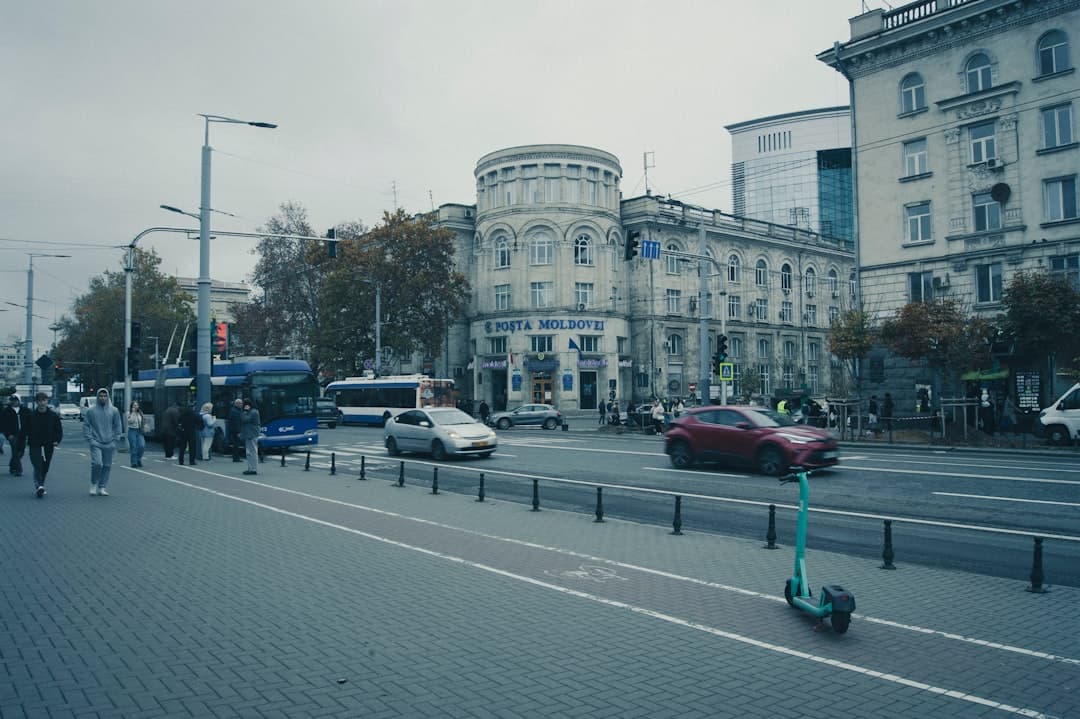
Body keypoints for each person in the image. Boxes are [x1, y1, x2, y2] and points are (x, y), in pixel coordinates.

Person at [83, 388, 122, 496]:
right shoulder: (91, 411)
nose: (103, 398)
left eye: (105, 396)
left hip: (110, 442)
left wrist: (115, 440)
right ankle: (94, 484)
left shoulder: (114, 410)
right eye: (101, 396)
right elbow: (86, 425)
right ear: (97, 397)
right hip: (96, 442)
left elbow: (118, 425)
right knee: (97, 463)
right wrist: (90, 439)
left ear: (108, 397)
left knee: (107, 465)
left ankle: (102, 487)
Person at [27, 392, 62, 497]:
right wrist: (22, 442)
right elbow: (25, 430)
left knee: (45, 465)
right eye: (40, 401)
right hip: (34, 443)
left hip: (48, 443)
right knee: (37, 464)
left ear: (47, 401)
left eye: (44, 400)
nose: (42, 403)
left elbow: (58, 430)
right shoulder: (31, 415)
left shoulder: (53, 416)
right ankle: (39, 486)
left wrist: (56, 440)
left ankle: (41, 484)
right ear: (37, 402)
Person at [1, 394, 32, 476]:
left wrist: (29, 432)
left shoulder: (25, 410)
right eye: (12, 400)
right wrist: (8, 435)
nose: (14, 402)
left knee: (21, 451)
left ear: (19, 401)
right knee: (14, 450)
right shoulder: (6, 411)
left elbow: (30, 422)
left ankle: (12, 465)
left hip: (23, 434)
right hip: (12, 434)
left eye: (15, 400)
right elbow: (3, 424)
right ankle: (19, 470)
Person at [241, 399, 261, 475]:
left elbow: (244, 419)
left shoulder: (253, 412)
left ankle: (253, 469)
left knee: (252, 452)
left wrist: (245, 411)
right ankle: (250, 468)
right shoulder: (253, 411)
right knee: (249, 452)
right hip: (249, 433)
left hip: (251, 434)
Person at [126, 400, 146, 468]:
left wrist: (144, 426)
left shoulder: (140, 413)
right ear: (131, 406)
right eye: (134, 405)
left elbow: (143, 420)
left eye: (137, 405)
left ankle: (138, 459)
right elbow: (130, 421)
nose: (136, 406)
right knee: (133, 447)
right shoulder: (129, 413)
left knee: (141, 446)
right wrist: (133, 413)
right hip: (132, 431)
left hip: (139, 431)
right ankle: (134, 462)